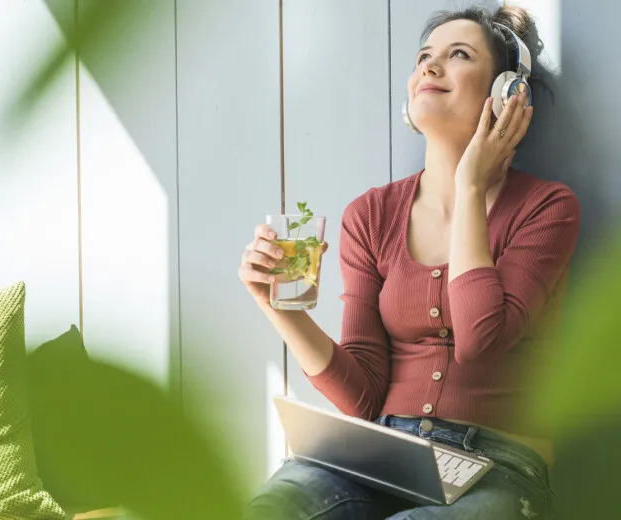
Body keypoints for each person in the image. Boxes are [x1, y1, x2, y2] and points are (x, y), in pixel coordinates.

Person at [236, 5, 579, 519]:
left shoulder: (547, 208)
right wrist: (279, 309)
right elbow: (363, 396)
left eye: (457, 54)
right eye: (424, 57)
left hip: (498, 468)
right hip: (380, 451)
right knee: (274, 508)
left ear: (508, 94)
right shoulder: (371, 215)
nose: (429, 67)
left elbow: (480, 335)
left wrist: (468, 186)